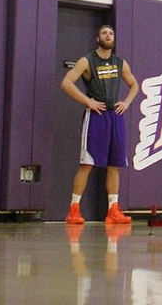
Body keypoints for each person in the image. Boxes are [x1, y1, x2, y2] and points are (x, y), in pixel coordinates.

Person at [60, 24, 138, 225]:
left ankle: (113, 210)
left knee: (115, 165)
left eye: (111, 33)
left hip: (115, 117)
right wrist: (88, 102)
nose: (108, 35)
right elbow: (67, 82)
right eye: (104, 33)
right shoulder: (87, 60)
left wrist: (127, 102)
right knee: (87, 163)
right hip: (96, 116)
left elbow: (134, 85)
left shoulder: (120, 63)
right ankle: (73, 210)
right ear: (98, 38)